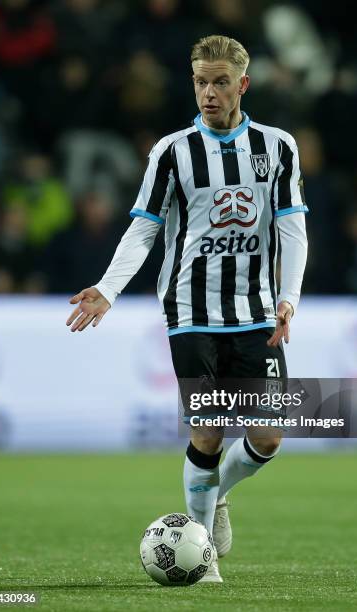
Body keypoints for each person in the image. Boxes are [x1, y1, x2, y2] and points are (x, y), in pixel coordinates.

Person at [66, 35, 308, 583]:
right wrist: (108, 287)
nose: (209, 92)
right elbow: (145, 227)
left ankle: (214, 492)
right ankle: (205, 564)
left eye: (221, 81)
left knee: (270, 435)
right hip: (190, 310)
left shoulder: (279, 146)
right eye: (201, 81)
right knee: (208, 429)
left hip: (257, 310)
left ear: (242, 84)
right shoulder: (171, 151)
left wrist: (288, 298)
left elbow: (292, 227)